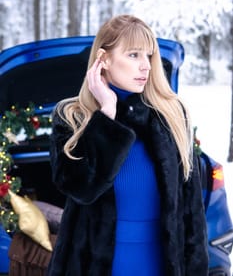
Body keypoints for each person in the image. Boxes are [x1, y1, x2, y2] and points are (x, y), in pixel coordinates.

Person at [47, 15, 209, 276]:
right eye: (134, 55)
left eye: (148, 56)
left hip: (158, 263)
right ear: (104, 59)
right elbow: (81, 188)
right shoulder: (72, 116)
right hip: (94, 266)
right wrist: (106, 114)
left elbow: (192, 215)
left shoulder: (170, 115)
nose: (145, 66)